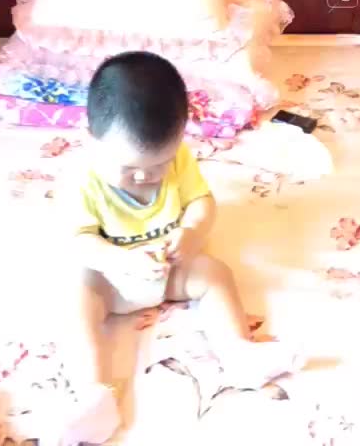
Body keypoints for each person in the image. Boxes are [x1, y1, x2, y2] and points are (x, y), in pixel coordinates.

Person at [58, 51, 303, 444]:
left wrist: (190, 232)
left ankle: (238, 352)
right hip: (110, 279)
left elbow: (202, 202)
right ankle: (94, 395)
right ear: (91, 140)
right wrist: (121, 260)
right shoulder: (79, 180)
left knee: (215, 274)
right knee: (74, 300)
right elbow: (79, 241)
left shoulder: (179, 159)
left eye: (158, 167)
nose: (145, 178)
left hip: (169, 268)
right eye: (128, 169)